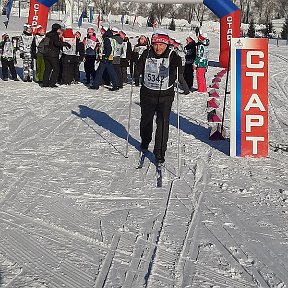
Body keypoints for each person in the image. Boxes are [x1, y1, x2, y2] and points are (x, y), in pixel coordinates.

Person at [135, 31, 182, 164]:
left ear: (166, 44)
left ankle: (159, 152)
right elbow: (139, 66)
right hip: (147, 93)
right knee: (146, 120)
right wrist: (136, 72)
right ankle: (145, 140)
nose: (158, 48)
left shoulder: (172, 55)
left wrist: (176, 68)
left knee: (163, 123)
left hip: (165, 96)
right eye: (156, 44)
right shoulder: (146, 53)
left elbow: (178, 69)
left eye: (161, 45)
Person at [42, 23, 71, 88]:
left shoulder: (48, 34)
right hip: (53, 54)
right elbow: (56, 43)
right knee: (56, 69)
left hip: (46, 54)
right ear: (57, 29)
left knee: (47, 69)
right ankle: (52, 83)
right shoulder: (55, 34)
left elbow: (46, 44)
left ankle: (45, 83)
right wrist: (66, 44)